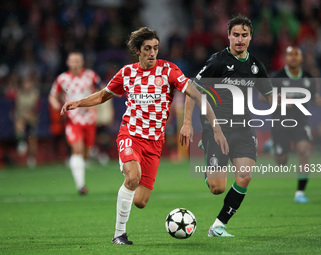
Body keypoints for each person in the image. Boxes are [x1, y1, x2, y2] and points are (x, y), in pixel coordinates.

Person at [60, 27, 228, 245]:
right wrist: (78, 102)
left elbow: (195, 93)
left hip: (154, 143)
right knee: (132, 177)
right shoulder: (126, 73)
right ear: (137, 50)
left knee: (140, 201)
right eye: (147, 48)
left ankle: (129, 182)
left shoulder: (168, 70)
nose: (152, 53)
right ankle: (119, 235)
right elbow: (103, 95)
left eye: (156, 48)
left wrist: (201, 125)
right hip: (130, 133)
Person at [180, 14, 274, 237]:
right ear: (228, 36)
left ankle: (219, 225)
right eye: (236, 35)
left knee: (244, 177)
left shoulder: (256, 66)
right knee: (217, 188)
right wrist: (186, 123)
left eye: (244, 35)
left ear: (251, 37)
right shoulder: (218, 61)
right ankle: (208, 163)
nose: (240, 39)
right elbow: (191, 90)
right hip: (218, 129)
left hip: (243, 129)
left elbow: (270, 96)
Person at [270, 46, 321, 203]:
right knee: (281, 161)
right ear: (285, 58)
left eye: (296, 54)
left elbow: (314, 96)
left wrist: (317, 100)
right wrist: (277, 100)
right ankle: (274, 145)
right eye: (289, 55)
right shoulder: (276, 77)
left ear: (301, 58)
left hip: (301, 122)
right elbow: (262, 97)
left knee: (304, 151)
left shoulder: (308, 78)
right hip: (281, 123)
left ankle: (300, 192)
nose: (293, 57)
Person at [49, 51, 101, 195]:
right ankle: (81, 186)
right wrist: (55, 105)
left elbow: (101, 91)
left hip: (90, 119)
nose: (75, 63)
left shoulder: (91, 75)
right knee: (76, 149)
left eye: (78, 60)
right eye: (73, 61)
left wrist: (95, 105)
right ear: (68, 63)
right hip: (73, 119)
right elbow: (53, 95)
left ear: (82, 62)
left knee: (85, 154)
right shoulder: (62, 79)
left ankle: (80, 168)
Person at [14, 76, 40, 167]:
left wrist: (31, 113)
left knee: (32, 139)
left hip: (32, 118)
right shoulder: (19, 93)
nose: (27, 85)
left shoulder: (35, 94)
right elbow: (16, 107)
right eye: (25, 83)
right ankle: (21, 141)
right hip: (21, 116)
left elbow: (37, 108)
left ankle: (31, 158)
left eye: (29, 83)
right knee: (19, 123)